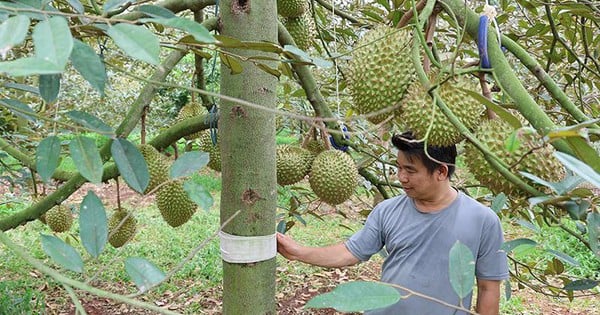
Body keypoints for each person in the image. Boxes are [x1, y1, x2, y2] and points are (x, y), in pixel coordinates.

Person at [276, 131, 509, 314]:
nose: (401, 177)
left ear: (441, 171)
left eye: (410, 170)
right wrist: (298, 252)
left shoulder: (483, 220)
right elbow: (350, 253)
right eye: (398, 168)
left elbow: (489, 288)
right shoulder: (387, 211)